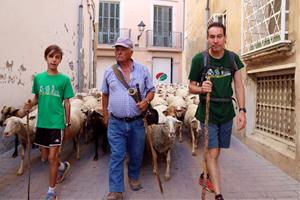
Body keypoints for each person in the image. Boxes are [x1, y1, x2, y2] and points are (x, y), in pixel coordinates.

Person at [188, 22, 247, 200]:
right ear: (208, 39)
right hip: (208, 112)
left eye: (219, 36)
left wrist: (242, 111)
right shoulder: (200, 59)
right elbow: (191, 87)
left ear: (225, 38)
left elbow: (239, 85)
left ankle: (204, 174)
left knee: (216, 151)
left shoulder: (233, 59)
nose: (215, 41)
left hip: (227, 112)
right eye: (212, 37)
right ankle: (219, 194)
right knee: (213, 153)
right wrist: (201, 89)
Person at [101, 37, 155, 200]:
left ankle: (133, 176)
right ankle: (116, 190)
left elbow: (151, 90)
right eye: (116, 49)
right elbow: (105, 94)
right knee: (117, 154)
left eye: (122, 49)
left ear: (131, 51)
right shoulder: (109, 71)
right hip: (116, 122)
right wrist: (105, 114)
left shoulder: (143, 70)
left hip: (137, 122)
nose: (118, 52)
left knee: (136, 152)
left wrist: (146, 101)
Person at [24, 44, 74, 200]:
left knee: (52, 158)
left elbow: (67, 102)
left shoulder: (64, 80)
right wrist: (29, 105)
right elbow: (37, 98)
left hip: (56, 123)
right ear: (46, 57)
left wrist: (66, 125)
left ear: (60, 60)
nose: (54, 59)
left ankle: (51, 192)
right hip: (42, 123)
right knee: (45, 157)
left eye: (57, 57)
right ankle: (62, 166)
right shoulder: (38, 78)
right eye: (51, 56)